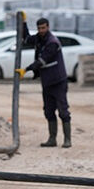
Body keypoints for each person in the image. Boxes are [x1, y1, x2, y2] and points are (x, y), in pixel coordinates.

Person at [17, 17, 72, 148]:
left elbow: (43, 60)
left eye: (43, 28)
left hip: (58, 81)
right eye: (39, 28)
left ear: (48, 27)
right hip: (47, 81)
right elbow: (26, 39)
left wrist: (27, 69)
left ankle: (67, 140)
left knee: (63, 111)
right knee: (48, 110)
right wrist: (24, 23)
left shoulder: (52, 42)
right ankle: (52, 139)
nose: (41, 30)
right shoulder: (39, 38)